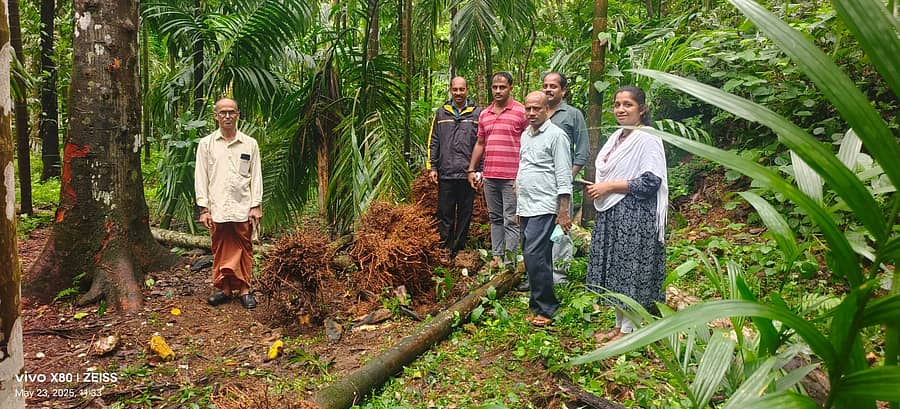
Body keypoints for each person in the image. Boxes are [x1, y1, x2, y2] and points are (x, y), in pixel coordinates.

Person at [585, 85, 668, 342]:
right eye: (617, 104)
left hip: (635, 214)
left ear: (642, 109)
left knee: (630, 271)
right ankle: (619, 326)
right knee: (617, 271)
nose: (621, 109)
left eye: (628, 104)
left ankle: (628, 331)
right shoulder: (618, 137)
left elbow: (651, 181)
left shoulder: (647, 138)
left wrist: (609, 186)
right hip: (614, 212)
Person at [195, 98, 263, 309]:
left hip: (242, 206)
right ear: (216, 116)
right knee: (221, 248)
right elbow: (201, 177)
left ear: (237, 115)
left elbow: (256, 176)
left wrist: (256, 205)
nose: (227, 116)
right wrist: (204, 209)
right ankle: (224, 290)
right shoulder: (206, 144)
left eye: (231, 112)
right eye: (223, 112)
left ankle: (244, 290)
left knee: (244, 247)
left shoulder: (249, 144)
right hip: (218, 208)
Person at [516, 91, 572, 327]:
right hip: (527, 206)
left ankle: (547, 307)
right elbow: (523, 169)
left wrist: (563, 211)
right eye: (528, 108)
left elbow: (563, 174)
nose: (531, 113)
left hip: (545, 205)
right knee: (532, 256)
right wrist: (519, 207)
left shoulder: (557, 136)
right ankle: (536, 305)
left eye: (536, 108)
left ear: (546, 109)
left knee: (535, 255)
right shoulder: (525, 135)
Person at [467, 72, 528, 268]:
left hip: (512, 177)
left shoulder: (521, 112)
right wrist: (471, 169)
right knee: (495, 218)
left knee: (511, 219)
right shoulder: (485, 114)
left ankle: (510, 261)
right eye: (495, 87)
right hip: (490, 176)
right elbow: (480, 143)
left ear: (510, 88)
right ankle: (497, 256)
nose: (498, 91)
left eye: (502, 87)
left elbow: (530, 142)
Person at [543, 72, 589, 284]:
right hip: (539, 184)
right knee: (539, 229)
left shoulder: (572, 114)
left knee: (561, 226)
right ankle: (539, 274)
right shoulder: (537, 112)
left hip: (561, 183)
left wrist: (569, 176)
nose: (548, 89)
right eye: (545, 85)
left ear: (563, 90)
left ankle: (559, 277)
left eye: (553, 86)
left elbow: (583, 150)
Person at [427, 77, 481, 256]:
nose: (458, 93)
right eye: (455, 89)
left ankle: (459, 249)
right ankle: (445, 248)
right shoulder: (441, 113)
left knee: (465, 212)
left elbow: (482, 143)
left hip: (468, 173)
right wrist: (433, 167)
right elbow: (434, 141)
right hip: (446, 172)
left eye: (461, 89)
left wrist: (479, 170)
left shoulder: (477, 113)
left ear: (467, 90)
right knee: (445, 212)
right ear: (450, 90)